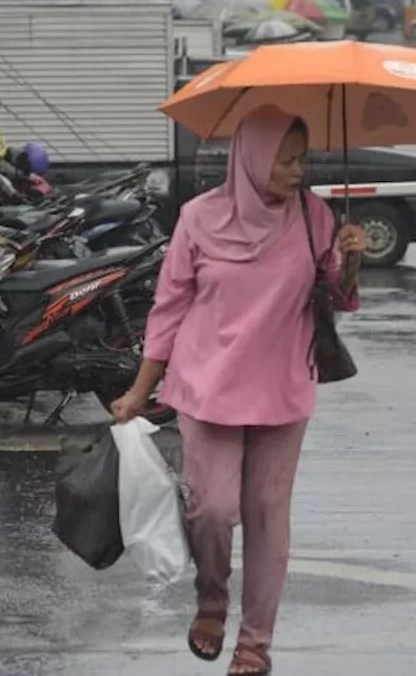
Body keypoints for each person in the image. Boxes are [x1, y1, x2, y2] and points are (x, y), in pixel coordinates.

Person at [112, 105, 367, 676]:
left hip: (283, 390)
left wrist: (349, 264)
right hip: (207, 388)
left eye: (303, 160)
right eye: (287, 160)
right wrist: (138, 391)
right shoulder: (198, 218)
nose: (298, 171)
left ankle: (255, 645)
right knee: (213, 511)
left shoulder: (315, 217)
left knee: (268, 516)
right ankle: (211, 602)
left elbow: (337, 298)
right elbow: (168, 306)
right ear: (252, 157)